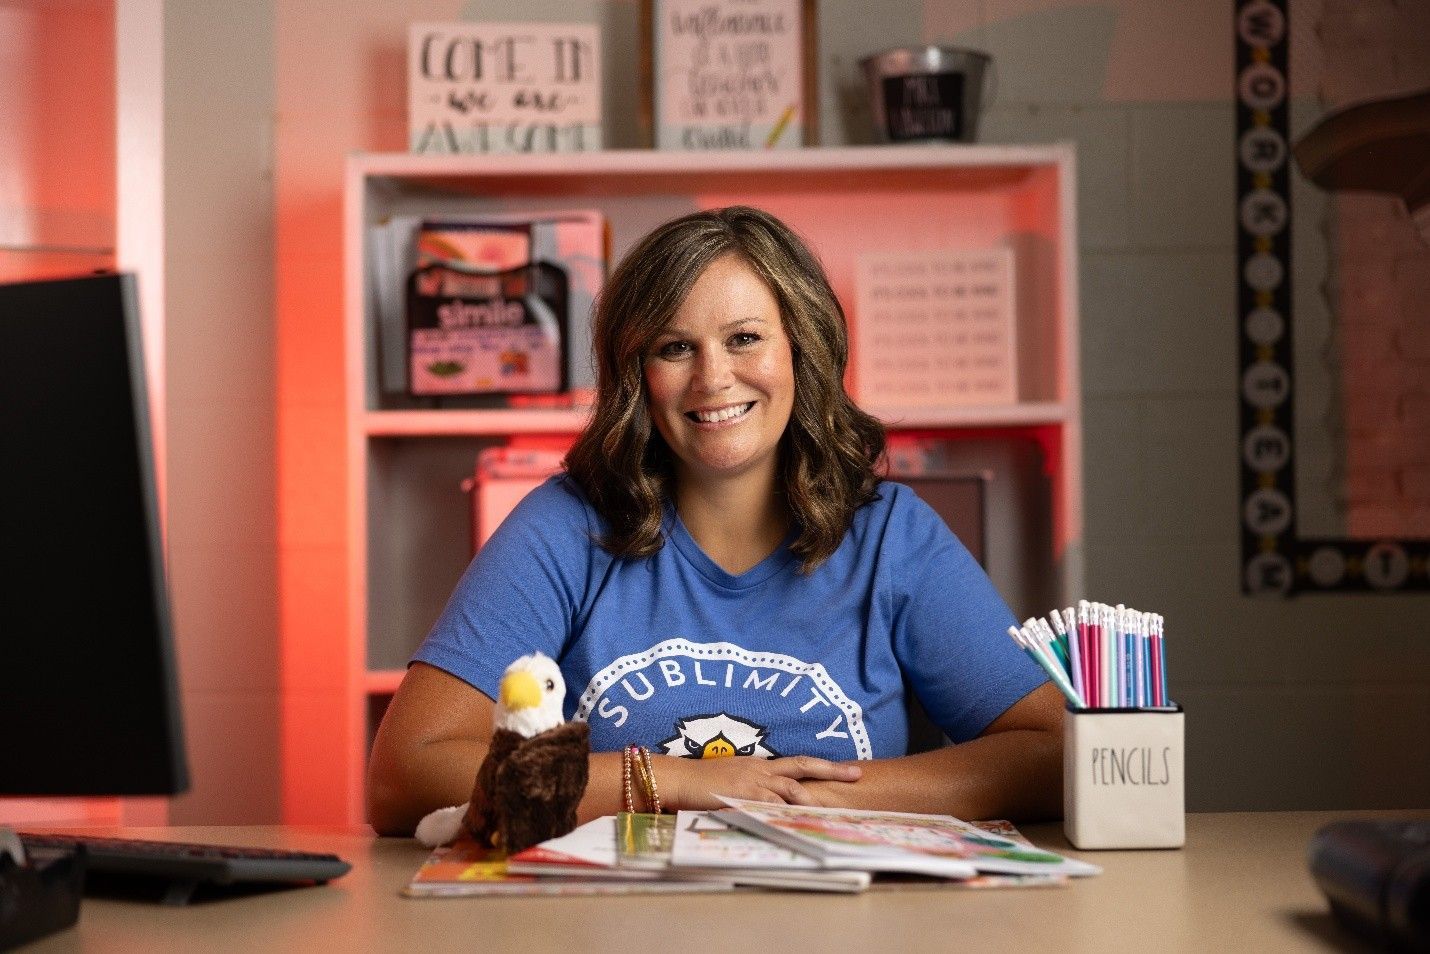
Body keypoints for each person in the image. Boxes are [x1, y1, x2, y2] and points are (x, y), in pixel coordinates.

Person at [367, 206, 1063, 837]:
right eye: (675, 348)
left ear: (802, 348)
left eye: (744, 338)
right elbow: (406, 774)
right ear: (636, 373)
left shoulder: (892, 536)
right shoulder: (563, 527)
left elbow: (1054, 749)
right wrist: (681, 783)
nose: (712, 378)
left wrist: (824, 796)